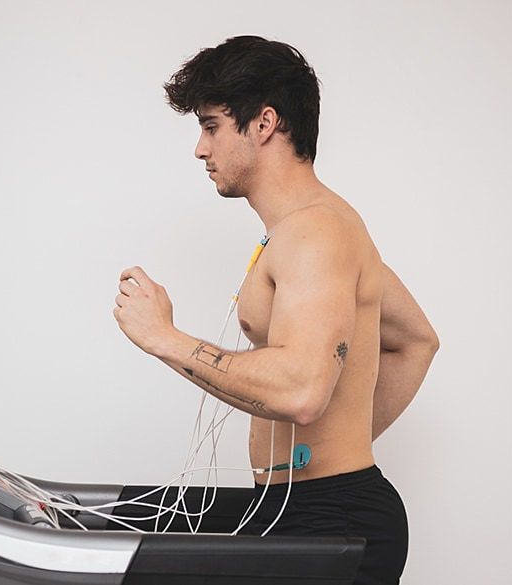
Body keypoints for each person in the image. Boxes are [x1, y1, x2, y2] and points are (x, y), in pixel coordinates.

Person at [112, 36, 439, 585]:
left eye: (211, 126)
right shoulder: (310, 228)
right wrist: (341, 443)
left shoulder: (317, 232)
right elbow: (416, 340)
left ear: (263, 124)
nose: (199, 148)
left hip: (333, 520)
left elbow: (301, 392)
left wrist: (163, 337)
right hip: (302, 505)